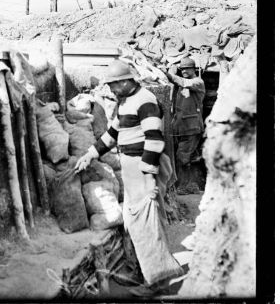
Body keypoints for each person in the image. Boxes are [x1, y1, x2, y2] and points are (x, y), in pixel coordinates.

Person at [75, 59, 177, 287]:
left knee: (148, 224)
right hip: (131, 168)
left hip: (143, 168)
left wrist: (149, 177)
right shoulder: (125, 102)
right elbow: (112, 133)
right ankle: (139, 271)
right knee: (132, 223)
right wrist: (90, 153)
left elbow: (154, 139)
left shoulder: (146, 101)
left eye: (112, 85)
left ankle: (157, 282)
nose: (110, 90)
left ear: (124, 82)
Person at [160, 56, 205, 195]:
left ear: (194, 69)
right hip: (181, 128)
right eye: (183, 69)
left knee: (182, 158)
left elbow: (183, 82)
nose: (185, 71)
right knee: (183, 158)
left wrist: (168, 74)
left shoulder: (198, 82)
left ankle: (183, 187)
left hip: (192, 127)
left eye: (187, 68)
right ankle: (187, 185)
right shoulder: (182, 84)